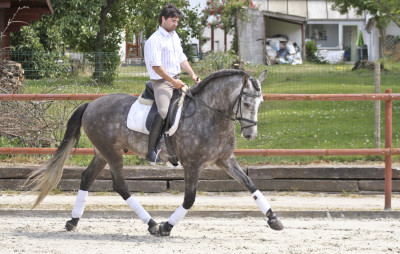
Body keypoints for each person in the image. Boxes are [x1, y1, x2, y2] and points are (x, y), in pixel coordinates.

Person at [144, 4, 200, 163]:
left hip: (176, 79)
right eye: (172, 20)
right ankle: (151, 151)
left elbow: (181, 58)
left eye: (177, 21)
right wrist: (173, 82)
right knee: (163, 111)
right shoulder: (154, 40)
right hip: (162, 82)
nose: (175, 24)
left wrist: (193, 75)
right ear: (163, 19)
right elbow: (156, 66)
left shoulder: (174, 36)